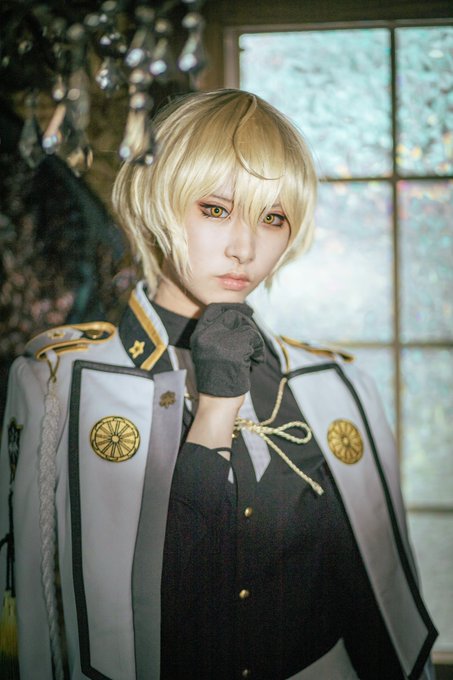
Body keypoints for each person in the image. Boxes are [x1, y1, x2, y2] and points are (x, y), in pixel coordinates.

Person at [0, 89, 437, 680]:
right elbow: (37, 616)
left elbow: (380, 598)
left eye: (272, 218)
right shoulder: (61, 384)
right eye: (215, 209)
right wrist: (216, 409)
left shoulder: (338, 386)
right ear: (157, 199)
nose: (244, 248)